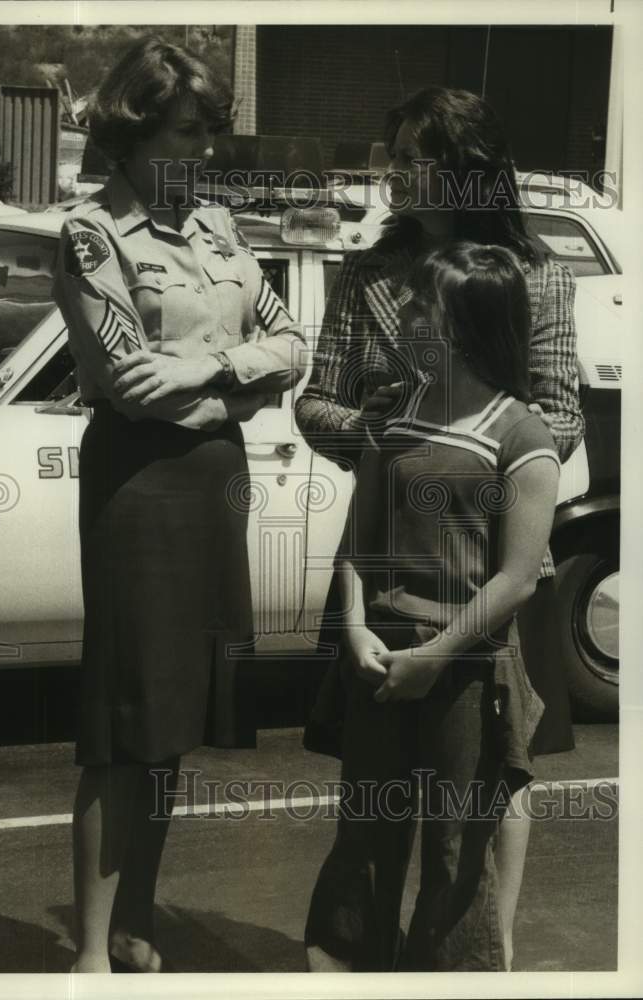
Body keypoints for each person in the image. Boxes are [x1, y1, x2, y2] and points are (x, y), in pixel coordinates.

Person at [296, 87, 583, 970]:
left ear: (466, 167)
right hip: (387, 551)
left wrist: (473, 438)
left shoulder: (533, 275)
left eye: (416, 156)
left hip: (490, 548)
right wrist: (375, 429)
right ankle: (369, 954)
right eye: (393, 154)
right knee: (377, 777)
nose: (396, 174)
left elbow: (560, 413)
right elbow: (314, 404)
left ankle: (480, 949)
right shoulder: (367, 274)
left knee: (493, 770)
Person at [52, 35, 306, 973]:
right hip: (140, 484)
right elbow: (128, 381)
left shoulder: (222, 232)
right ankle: (87, 955)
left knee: (171, 725)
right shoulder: (90, 234)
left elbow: (291, 345)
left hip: (212, 481)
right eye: (187, 132)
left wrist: (211, 369)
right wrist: (241, 380)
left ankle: (138, 922)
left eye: (209, 133)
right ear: (134, 126)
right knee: (124, 721)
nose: (203, 152)